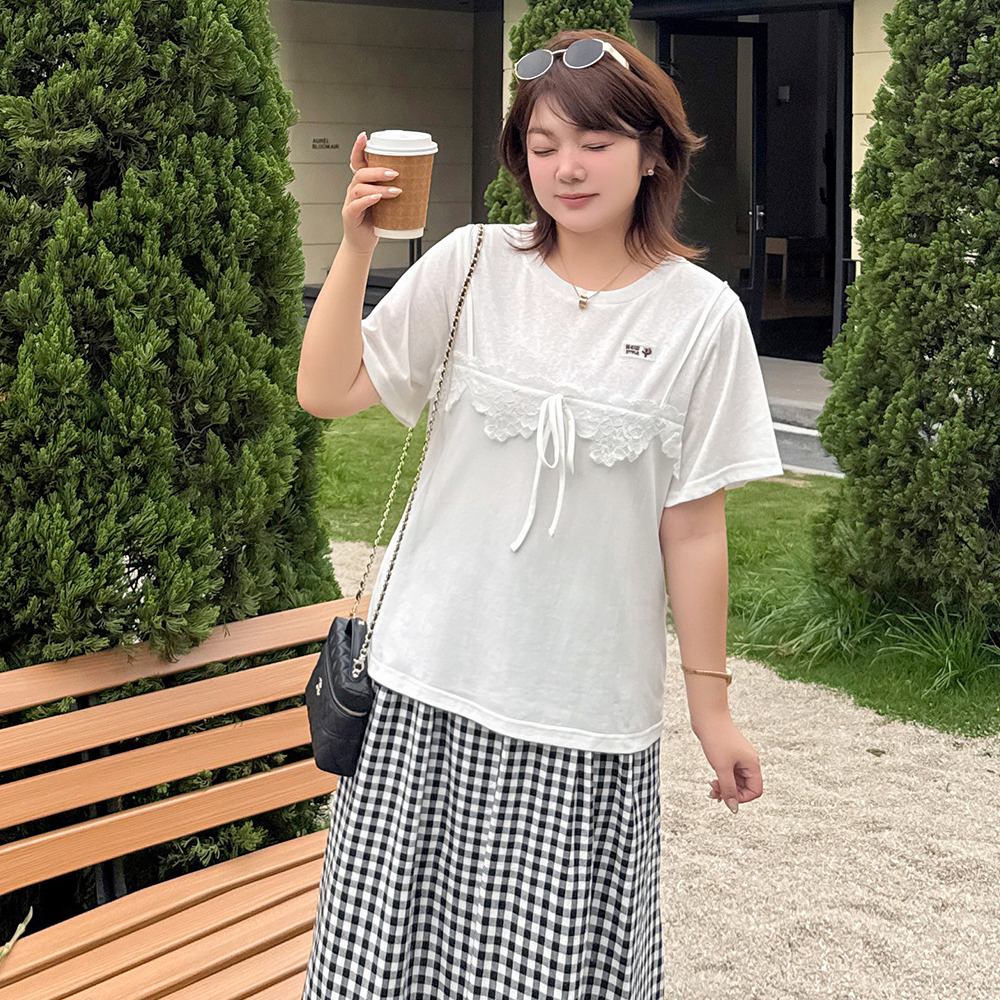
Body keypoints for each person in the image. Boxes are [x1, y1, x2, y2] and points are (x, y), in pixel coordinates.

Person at [296, 27, 784, 1000]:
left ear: (653, 154)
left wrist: (712, 710)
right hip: (424, 684)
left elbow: (694, 526)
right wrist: (354, 248)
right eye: (545, 144)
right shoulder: (472, 264)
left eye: (596, 143)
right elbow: (327, 389)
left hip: (581, 707)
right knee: (389, 971)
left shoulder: (702, 316)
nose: (568, 168)